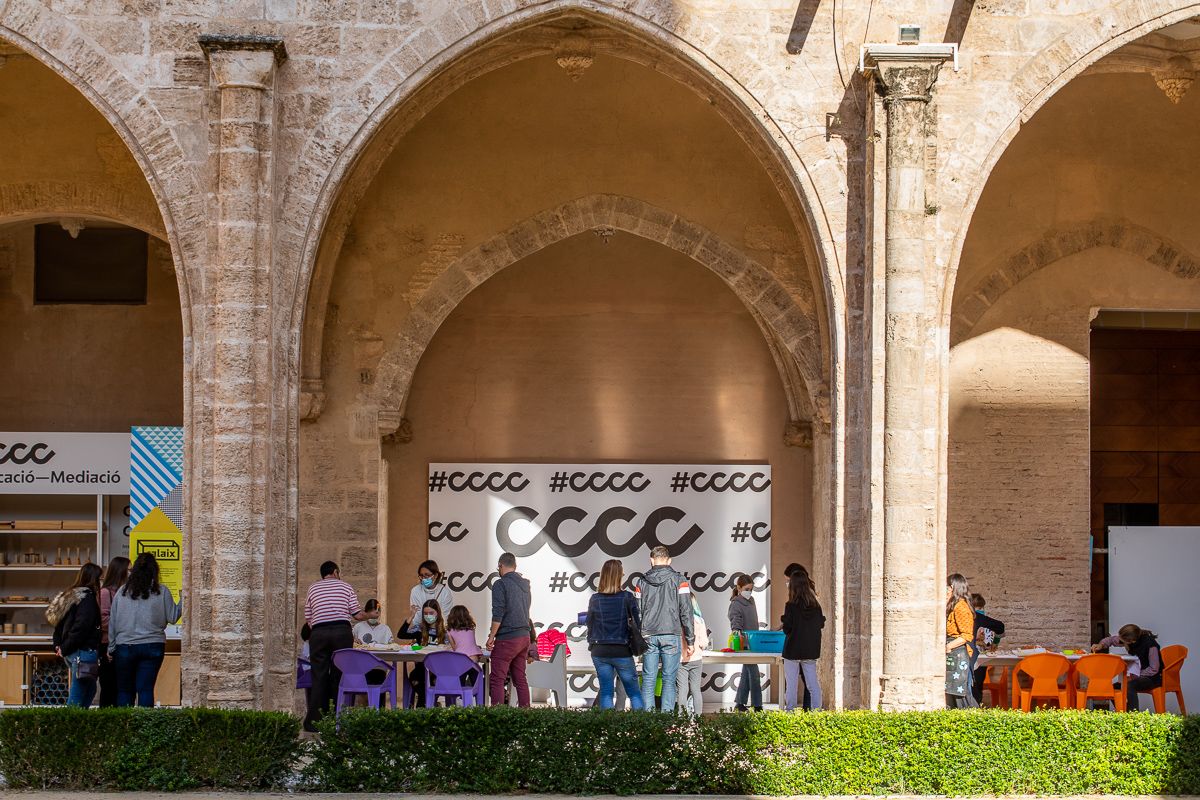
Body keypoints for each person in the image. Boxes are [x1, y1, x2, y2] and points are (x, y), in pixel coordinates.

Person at [108, 553, 183, 707]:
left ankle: (124, 721)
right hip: (153, 644)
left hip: (125, 645)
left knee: (125, 691)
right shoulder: (162, 591)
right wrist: (183, 600)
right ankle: (144, 722)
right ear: (155, 571)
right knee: (146, 689)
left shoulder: (122, 592)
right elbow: (173, 617)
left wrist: (111, 647)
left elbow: (113, 621)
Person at [302, 560, 364, 732]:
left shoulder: (313, 588)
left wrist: (319, 629)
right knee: (339, 674)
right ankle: (338, 719)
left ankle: (314, 721)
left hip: (319, 634)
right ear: (336, 572)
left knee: (318, 675)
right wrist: (369, 615)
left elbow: (308, 617)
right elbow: (356, 614)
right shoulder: (345, 586)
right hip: (341, 632)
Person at [635, 545, 694, 712]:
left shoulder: (641, 582)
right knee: (669, 679)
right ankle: (666, 719)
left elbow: (637, 612)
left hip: (648, 635)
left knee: (648, 679)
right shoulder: (679, 580)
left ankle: (648, 719)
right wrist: (690, 640)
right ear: (669, 561)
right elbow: (686, 610)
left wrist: (638, 638)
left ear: (651, 560)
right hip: (671, 634)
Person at [586, 559, 644, 711]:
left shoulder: (595, 599)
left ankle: (607, 724)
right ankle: (641, 723)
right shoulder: (627, 597)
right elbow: (638, 624)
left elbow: (589, 624)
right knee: (634, 693)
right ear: (619, 576)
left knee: (606, 692)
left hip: (599, 651)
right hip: (622, 651)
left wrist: (591, 644)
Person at [48, 562, 102, 707]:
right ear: (94, 579)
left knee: (89, 689)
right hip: (83, 651)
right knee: (79, 692)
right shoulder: (87, 598)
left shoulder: (69, 595)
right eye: (99, 579)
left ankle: (80, 718)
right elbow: (81, 627)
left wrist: (58, 645)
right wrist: (64, 647)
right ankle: (71, 720)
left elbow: (58, 623)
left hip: (72, 651)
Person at [486, 552, 533, 707]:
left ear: (500, 566)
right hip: (524, 636)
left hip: (507, 637)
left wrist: (491, 636)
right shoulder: (525, 585)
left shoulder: (500, 584)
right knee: (520, 678)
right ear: (515, 566)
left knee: (497, 679)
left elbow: (498, 613)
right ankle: (526, 713)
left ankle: (498, 715)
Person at [781, 565, 825, 711]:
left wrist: (784, 621)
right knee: (813, 683)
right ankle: (817, 711)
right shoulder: (816, 606)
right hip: (810, 650)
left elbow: (787, 628)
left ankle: (790, 712)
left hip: (792, 650)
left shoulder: (790, 606)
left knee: (791, 685)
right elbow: (820, 624)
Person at [1093, 623, 1163, 711]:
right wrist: (1101, 645)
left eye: (1124, 642)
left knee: (1129, 685)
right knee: (1115, 687)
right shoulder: (1129, 638)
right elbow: (1111, 640)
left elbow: (1154, 669)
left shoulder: (1150, 645)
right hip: (1138, 675)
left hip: (1153, 678)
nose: (1121, 642)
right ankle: (1123, 711)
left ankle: (1133, 715)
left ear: (1132, 641)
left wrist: (1136, 675)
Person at [97, 556, 130, 707]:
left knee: (121, 686)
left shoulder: (125, 592)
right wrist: (123, 625)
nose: (131, 573)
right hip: (107, 644)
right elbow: (103, 619)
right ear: (120, 571)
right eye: (129, 570)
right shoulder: (105, 593)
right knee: (109, 686)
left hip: (123, 643)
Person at [727, 573, 763, 711]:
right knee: (754, 675)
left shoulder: (751, 600)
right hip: (745, 643)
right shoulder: (735, 603)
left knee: (747, 674)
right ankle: (757, 705)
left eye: (751, 589)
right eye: (747, 589)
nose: (749, 592)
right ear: (739, 588)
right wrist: (736, 630)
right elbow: (735, 619)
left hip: (754, 642)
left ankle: (740, 703)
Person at [944, 572, 978, 708]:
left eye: (947, 587)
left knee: (961, 696)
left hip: (958, 653)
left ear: (952, 587)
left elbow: (966, 635)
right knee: (951, 695)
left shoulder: (961, 606)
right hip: (952, 653)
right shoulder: (953, 605)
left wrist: (948, 646)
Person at [408, 599, 449, 706]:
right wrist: (411, 616)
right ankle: (430, 706)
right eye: (425, 613)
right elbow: (403, 634)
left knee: (430, 685)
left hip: (437, 671)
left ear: (438, 613)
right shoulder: (419, 629)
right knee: (417, 680)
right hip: (421, 669)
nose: (428, 616)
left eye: (431, 613)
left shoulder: (445, 633)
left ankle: (426, 707)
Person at [676, 593, 709, 714]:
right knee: (696, 690)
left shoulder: (677, 620)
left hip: (681, 660)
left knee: (682, 690)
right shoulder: (699, 620)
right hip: (696, 659)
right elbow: (704, 643)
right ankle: (698, 717)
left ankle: (681, 718)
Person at [970, 593, 1005, 705]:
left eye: (981, 608)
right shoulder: (978, 618)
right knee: (975, 685)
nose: (980, 610)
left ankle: (975, 705)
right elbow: (1000, 627)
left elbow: (1000, 627)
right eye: (977, 608)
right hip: (973, 657)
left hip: (977, 658)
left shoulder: (979, 619)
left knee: (976, 685)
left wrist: (995, 642)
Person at [405, 560, 453, 637]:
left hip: (440, 631)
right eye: (421, 576)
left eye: (427, 575)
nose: (424, 578)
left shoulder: (445, 592)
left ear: (436, 575)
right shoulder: (416, 591)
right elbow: (417, 616)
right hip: (421, 630)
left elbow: (446, 616)